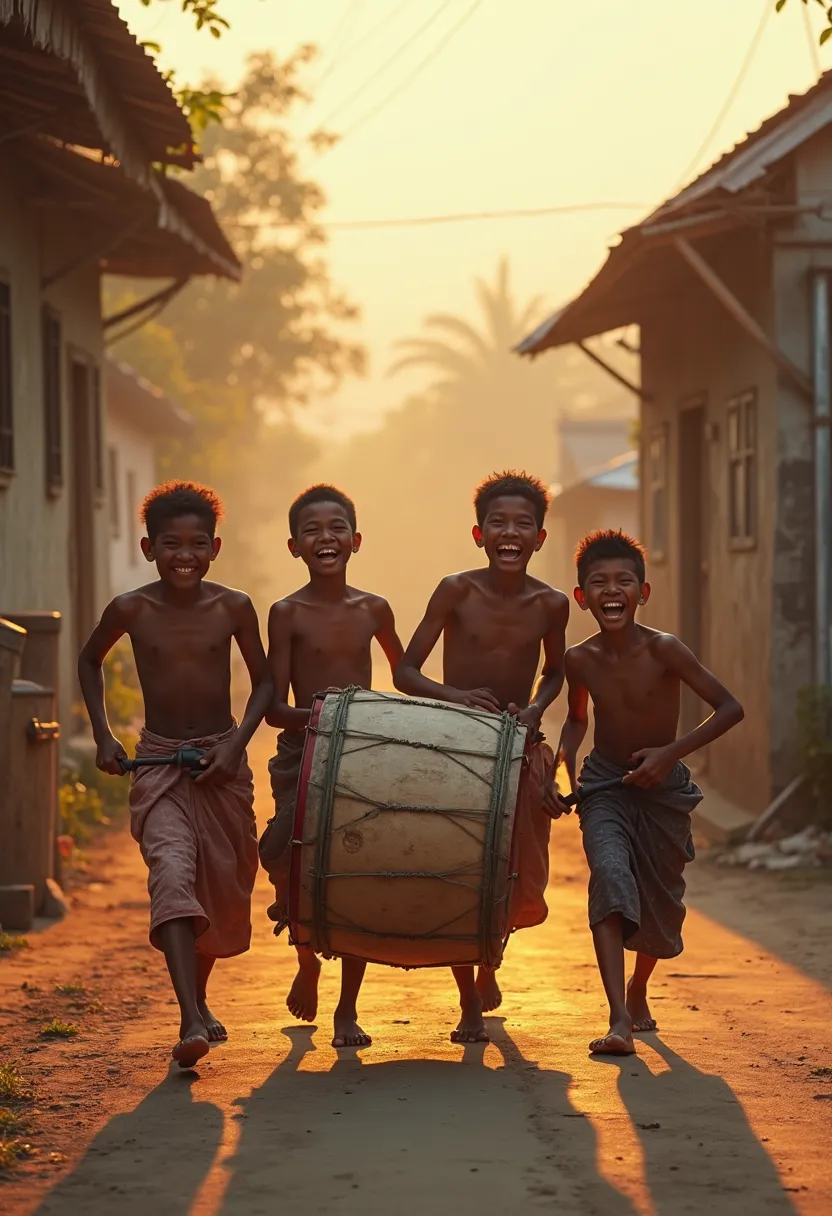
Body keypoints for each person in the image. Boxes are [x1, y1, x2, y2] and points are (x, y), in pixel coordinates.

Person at [78, 481, 272, 1069]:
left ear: (215, 548)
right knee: (171, 873)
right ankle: (189, 1018)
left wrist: (236, 748)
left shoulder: (234, 605)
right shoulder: (131, 608)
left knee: (220, 883)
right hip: (159, 761)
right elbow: (89, 660)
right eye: (170, 544)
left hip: (220, 761)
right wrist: (104, 735)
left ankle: (201, 997)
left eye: (196, 543)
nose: (183, 554)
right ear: (147, 548)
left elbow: (263, 681)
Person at [553, 529, 744, 1056]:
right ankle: (617, 1019)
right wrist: (563, 764)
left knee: (659, 905)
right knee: (611, 878)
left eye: (624, 581)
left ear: (643, 592)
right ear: (581, 596)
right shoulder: (580, 659)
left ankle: (638, 988)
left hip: (664, 790)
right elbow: (575, 719)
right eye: (598, 583)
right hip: (606, 784)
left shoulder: (665, 649)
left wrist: (670, 754)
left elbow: (729, 707)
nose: (611, 591)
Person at [394, 470, 569, 1044]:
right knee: (459, 869)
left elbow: (554, 673)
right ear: (479, 533)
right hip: (453, 742)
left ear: (540, 537)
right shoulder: (455, 590)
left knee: (516, 867)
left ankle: (492, 950)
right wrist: (456, 698)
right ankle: (468, 997)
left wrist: (538, 709)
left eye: (523, 524)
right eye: (498, 523)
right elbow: (405, 670)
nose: (510, 533)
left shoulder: (551, 603)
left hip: (516, 745)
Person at [259, 484, 404, 1049]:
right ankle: (305, 959)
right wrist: (322, 716)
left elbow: (405, 674)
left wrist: (457, 704)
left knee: (356, 875)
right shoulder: (286, 612)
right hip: (303, 754)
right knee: (282, 855)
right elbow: (273, 706)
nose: (327, 538)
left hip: (362, 758)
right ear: (294, 546)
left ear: (356, 540)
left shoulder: (373, 608)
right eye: (313, 530)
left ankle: (348, 1008)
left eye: (337, 527)